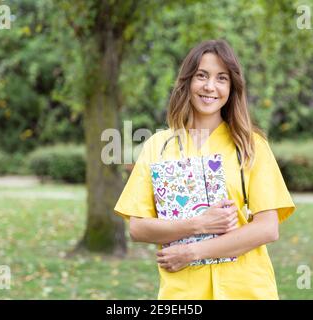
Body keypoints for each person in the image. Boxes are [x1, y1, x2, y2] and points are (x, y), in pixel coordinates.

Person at [114, 39, 295, 299]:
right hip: (184, 295)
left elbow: (268, 228)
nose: (210, 86)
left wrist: (193, 252)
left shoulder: (252, 146)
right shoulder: (158, 146)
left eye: (222, 78)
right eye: (202, 76)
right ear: (187, 82)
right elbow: (138, 228)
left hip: (246, 291)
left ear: (232, 88)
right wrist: (197, 224)